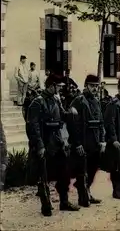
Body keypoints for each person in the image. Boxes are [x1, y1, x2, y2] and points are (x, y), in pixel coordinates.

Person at [26, 74, 79, 216]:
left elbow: (62, 115)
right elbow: (33, 126)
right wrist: (40, 145)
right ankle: (46, 205)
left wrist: (70, 113)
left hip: (57, 142)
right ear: (51, 86)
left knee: (64, 172)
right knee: (43, 176)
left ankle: (64, 202)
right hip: (44, 142)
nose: (60, 89)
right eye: (58, 86)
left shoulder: (56, 100)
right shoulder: (37, 102)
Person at [68, 74, 105, 206]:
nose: (95, 89)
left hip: (95, 142)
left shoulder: (96, 101)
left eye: (96, 86)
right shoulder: (78, 101)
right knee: (82, 171)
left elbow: (101, 123)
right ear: (86, 86)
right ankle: (83, 198)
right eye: (92, 86)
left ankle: (87, 192)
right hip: (83, 142)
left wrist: (102, 140)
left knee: (92, 169)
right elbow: (72, 125)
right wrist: (77, 143)